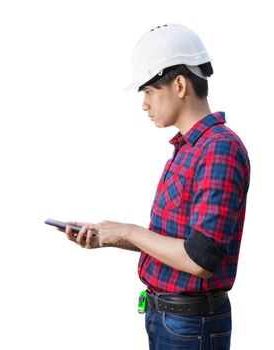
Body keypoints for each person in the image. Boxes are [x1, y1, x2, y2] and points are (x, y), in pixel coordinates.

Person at [58, 24, 250, 350]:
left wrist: (131, 232)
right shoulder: (188, 149)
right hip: (167, 318)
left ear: (178, 84)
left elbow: (201, 258)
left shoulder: (219, 149)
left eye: (148, 92)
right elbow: (175, 243)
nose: (144, 105)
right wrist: (110, 234)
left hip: (190, 325)